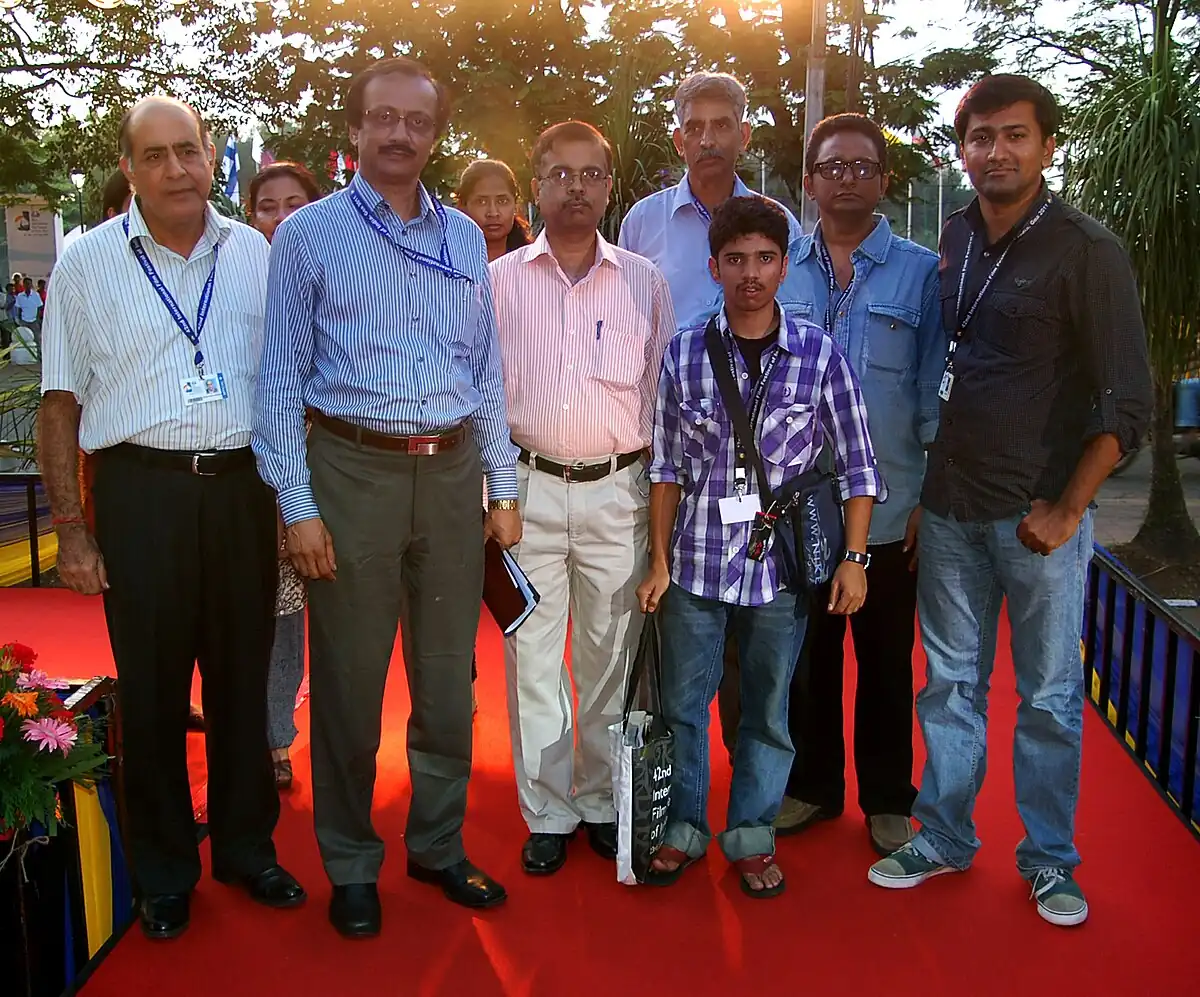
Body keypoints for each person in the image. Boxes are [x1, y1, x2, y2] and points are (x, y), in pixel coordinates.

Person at [866, 75, 1153, 928]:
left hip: (1037, 522)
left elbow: (1127, 403)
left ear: (1047, 146)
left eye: (1015, 136)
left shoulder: (1085, 249)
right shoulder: (956, 237)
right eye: (981, 137)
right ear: (964, 150)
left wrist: (1067, 511)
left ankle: (1051, 860)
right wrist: (923, 494)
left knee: (1049, 696)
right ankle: (947, 835)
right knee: (949, 686)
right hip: (950, 509)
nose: (996, 151)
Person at [253, 56, 520, 938]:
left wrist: (502, 485)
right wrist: (297, 506)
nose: (400, 133)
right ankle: (352, 862)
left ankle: (437, 845)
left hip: (449, 478)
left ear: (435, 135)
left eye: (417, 120)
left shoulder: (461, 239)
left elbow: (483, 367)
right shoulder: (308, 236)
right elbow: (279, 381)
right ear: (357, 131)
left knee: (448, 686)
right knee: (349, 686)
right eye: (384, 118)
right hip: (349, 473)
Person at [37, 95, 306, 941]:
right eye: (153, 156)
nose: (175, 169)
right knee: (151, 693)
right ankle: (162, 869)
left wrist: (288, 500)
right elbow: (57, 403)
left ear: (210, 154)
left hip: (240, 491)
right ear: (129, 169)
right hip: (138, 494)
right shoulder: (85, 263)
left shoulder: (260, 252)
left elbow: (290, 384)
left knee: (240, 676)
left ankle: (245, 847)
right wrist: (72, 529)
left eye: (186, 150)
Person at [637, 196, 884, 898]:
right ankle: (684, 827)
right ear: (713, 267)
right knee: (683, 707)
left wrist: (856, 559)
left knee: (769, 713)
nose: (750, 273)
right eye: (736, 259)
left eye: (765, 258)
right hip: (695, 563)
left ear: (784, 266)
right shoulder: (684, 351)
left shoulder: (818, 355)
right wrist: (658, 560)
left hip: (779, 572)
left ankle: (750, 833)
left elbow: (860, 464)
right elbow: (667, 468)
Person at [489, 121, 675, 876]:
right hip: (524, 492)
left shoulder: (643, 280)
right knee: (531, 656)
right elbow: (479, 399)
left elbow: (663, 400)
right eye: (559, 174)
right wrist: (493, 494)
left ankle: (601, 800)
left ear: (609, 184)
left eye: (590, 174)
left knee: (610, 657)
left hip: (617, 494)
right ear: (535, 184)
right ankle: (547, 810)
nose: (575, 187)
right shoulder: (495, 282)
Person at [620, 72, 805, 759]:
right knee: (679, 631)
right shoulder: (642, 223)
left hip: (761, 466)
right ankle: (670, 787)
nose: (707, 138)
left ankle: (752, 795)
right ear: (677, 137)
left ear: (744, 134)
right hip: (675, 457)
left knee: (758, 648)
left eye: (721, 124)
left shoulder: (775, 222)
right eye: (693, 126)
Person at [773, 114, 944, 855]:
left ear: (883, 180)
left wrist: (931, 494)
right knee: (806, 661)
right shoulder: (782, 266)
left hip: (891, 508)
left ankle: (885, 794)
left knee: (883, 660)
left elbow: (942, 387)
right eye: (832, 166)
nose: (847, 177)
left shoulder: (921, 272)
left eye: (862, 166)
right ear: (808, 182)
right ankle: (811, 785)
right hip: (800, 509)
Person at [246, 161, 323, 789]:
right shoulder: (235, 277)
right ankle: (253, 732)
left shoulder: (330, 275)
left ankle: (279, 735)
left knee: (291, 612)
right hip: (235, 472)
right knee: (251, 611)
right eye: (267, 206)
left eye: (294, 203)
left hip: (315, 468)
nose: (281, 217)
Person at [458, 159, 532, 261]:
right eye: (481, 202)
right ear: (463, 205)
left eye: (502, 201)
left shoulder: (534, 262)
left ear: (515, 205)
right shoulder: (448, 262)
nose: (493, 213)